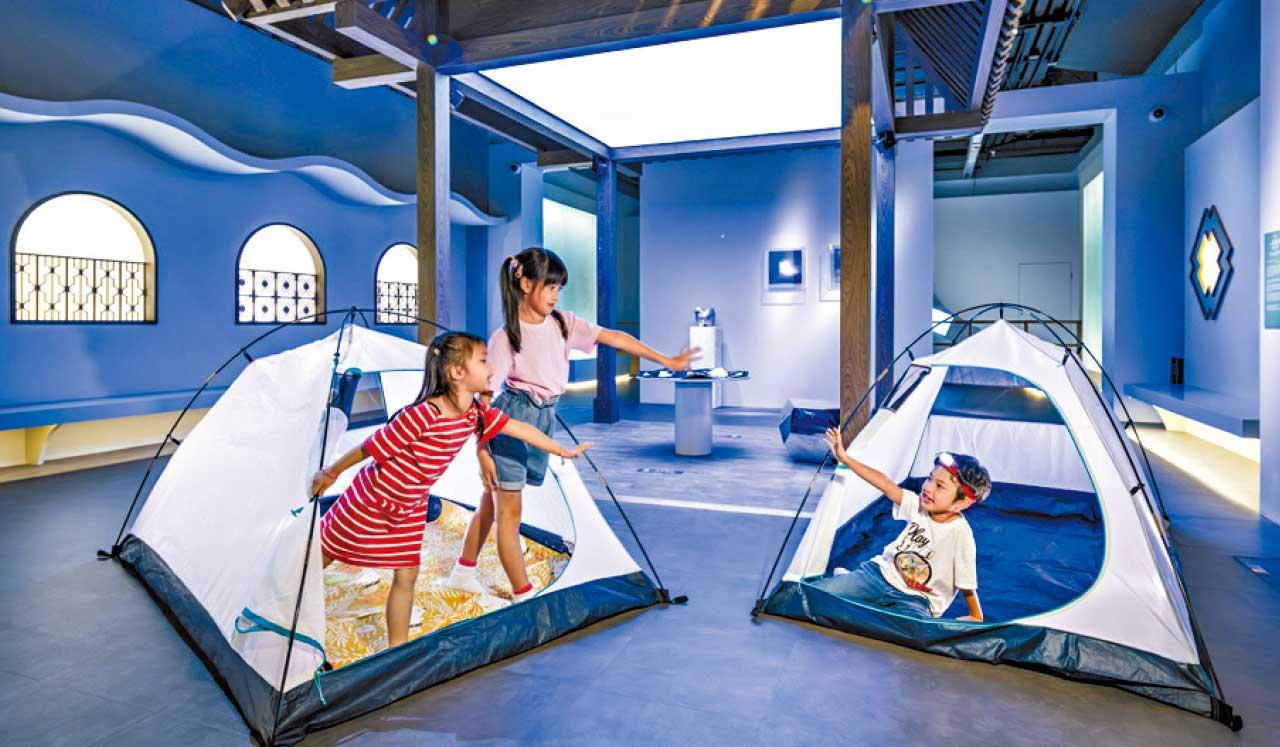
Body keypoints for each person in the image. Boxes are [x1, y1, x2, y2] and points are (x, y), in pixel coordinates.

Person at [444, 246, 697, 604]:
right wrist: (482, 451)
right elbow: (484, 403)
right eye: (549, 287)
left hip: (544, 418)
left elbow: (614, 337)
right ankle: (525, 597)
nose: (555, 295)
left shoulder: (563, 323)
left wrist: (666, 360)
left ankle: (462, 572)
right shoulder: (506, 338)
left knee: (493, 502)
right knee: (509, 513)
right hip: (512, 420)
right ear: (525, 284)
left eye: (558, 288)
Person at [309, 331, 591, 648]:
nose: (491, 369)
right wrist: (331, 472)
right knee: (323, 554)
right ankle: (283, 603)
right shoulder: (422, 415)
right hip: (371, 499)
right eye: (483, 361)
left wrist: (561, 451)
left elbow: (520, 428)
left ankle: (397, 648)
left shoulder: (475, 414)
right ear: (457, 372)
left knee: (407, 574)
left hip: (411, 507)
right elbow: (370, 447)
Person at [821, 427, 991, 622]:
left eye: (939, 486)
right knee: (819, 594)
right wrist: (845, 458)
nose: (927, 488)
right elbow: (886, 484)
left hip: (916, 599)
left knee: (914, 628)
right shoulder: (918, 506)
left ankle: (853, 588)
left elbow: (967, 582)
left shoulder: (960, 534)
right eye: (929, 478)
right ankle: (849, 582)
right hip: (879, 576)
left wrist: (975, 615)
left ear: (960, 503)